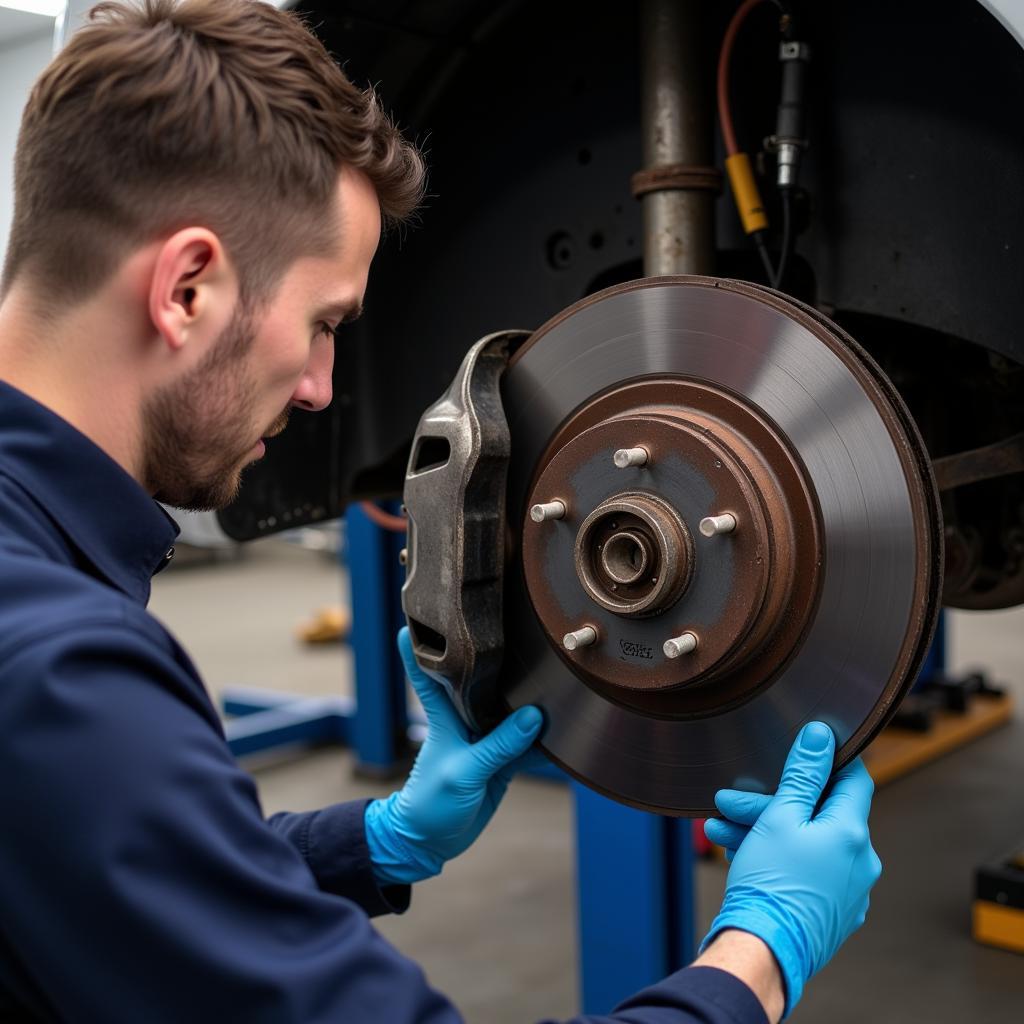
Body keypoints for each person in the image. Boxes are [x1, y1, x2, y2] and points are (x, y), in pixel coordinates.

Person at [0, 2, 880, 1021]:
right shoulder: (62, 675)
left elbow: (107, 878)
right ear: (188, 286)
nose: (327, 387)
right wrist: (761, 950)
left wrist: (380, 840)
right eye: (324, 323)